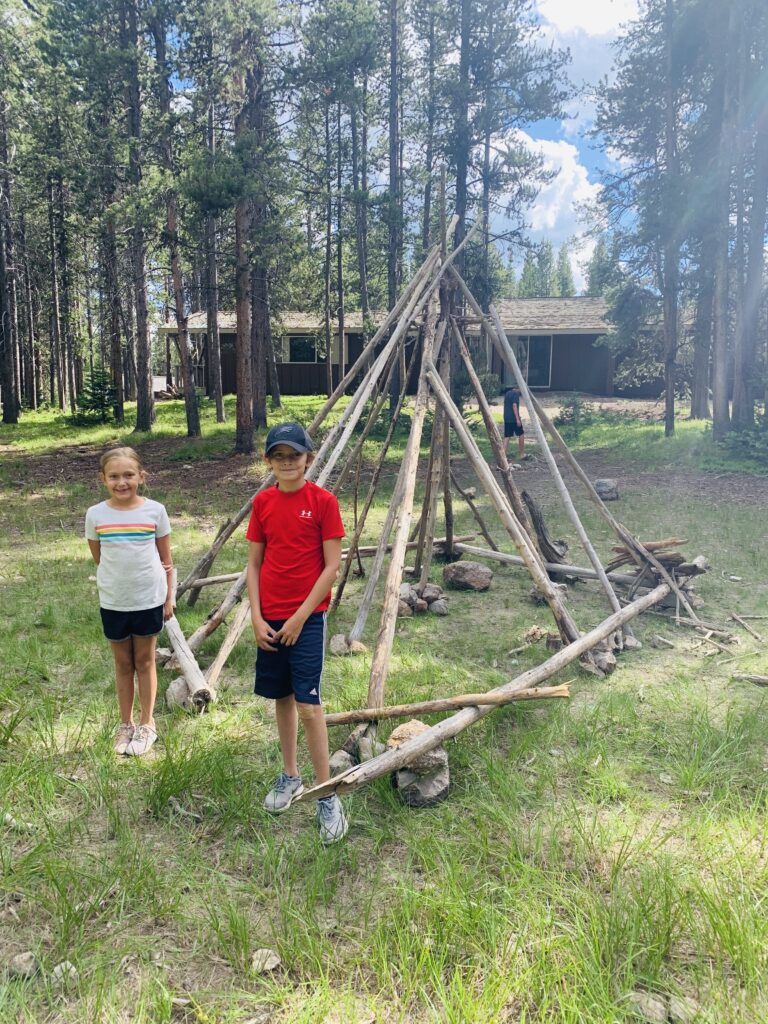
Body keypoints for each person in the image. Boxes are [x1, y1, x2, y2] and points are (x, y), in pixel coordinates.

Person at [246, 422, 348, 844]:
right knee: (282, 699)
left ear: (309, 457)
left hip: (305, 620)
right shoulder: (263, 502)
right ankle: (290, 775)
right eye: (279, 456)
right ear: (268, 462)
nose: (288, 463)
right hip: (268, 619)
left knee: (309, 705)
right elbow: (254, 564)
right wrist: (255, 616)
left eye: (295, 455)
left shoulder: (323, 502)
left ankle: (326, 794)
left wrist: (301, 616)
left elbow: (331, 567)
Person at [85, 447, 174, 756]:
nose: (121, 482)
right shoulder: (95, 514)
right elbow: (100, 558)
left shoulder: (155, 511)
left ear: (141, 477)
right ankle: (125, 724)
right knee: (123, 663)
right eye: (114, 476)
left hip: (148, 597)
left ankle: (147, 725)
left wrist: (168, 597)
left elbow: (166, 561)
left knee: (145, 660)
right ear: (103, 479)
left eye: (128, 475)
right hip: (113, 600)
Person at [503, 385, 525, 461]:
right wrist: (517, 418)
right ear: (518, 388)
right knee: (521, 434)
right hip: (513, 419)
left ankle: (503, 456)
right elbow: (514, 405)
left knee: (507, 436)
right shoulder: (515, 394)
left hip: (506, 418)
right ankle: (522, 454)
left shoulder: (507, 393)